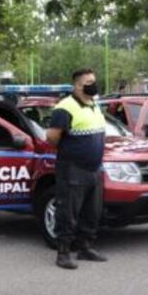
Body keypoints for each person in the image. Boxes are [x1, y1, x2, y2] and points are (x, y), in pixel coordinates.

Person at [46, 68, 108, 269]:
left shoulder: (94, 104)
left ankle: (85, 247)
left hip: (94, 169)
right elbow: (52, 137)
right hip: (73, 169)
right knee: (68, 212)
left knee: (92, 212)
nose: (94, 84)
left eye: (94, 80)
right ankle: (63, 253)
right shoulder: (65, 107)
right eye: (89, 81)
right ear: (78, 85)